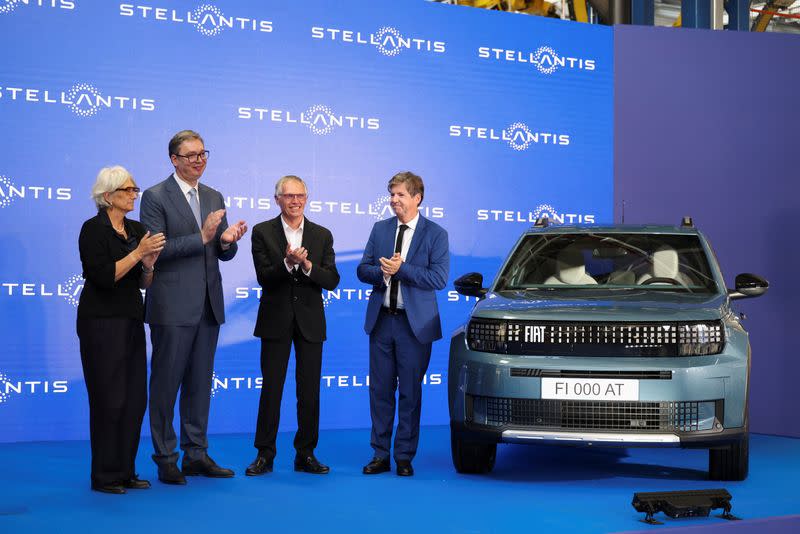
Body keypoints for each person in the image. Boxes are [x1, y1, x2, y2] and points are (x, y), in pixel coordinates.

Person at [140, 130, 248, 485]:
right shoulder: (156, 197)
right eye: (191, 155)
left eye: (203, 154)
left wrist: (227, 242)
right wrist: (200, 238)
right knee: (166, 385)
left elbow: (219, 251)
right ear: (174, 159)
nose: (199, 160)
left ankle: (196, 454)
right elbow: (154, 249)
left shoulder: (214, 195)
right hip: (171, 306)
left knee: (200, 385)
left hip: (208, 306)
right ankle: (166, 456)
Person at [77, 165, 166, 494]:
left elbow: (142, 283)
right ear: (106, 196)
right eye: (127, 190)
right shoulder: (93, 230)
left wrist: (148, 266)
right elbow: (103, 277)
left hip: (130, 318)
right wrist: (138, 253)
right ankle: (104, 475)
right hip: (100, 322)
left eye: (134, 189)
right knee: (108, 399)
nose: (133, 195)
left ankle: (126, 470)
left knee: (133, 400)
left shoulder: (137, 228)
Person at [356, 171, 449, 476]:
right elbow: (362, 269)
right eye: (391, 195)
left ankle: (404, 456)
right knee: (380, 391)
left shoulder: (436, 234)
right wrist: (383, 274)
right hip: (382, 322)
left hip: (414, 327)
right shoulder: (380, 229)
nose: (394, 200)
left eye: (400, 195)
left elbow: (438, 278)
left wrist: (402, 269)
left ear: (417, 198)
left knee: (410, 393)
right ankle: (380, 454)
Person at [246, 176, 340, 476]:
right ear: (277, 200)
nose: (295, 201)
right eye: (288, 196)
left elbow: (332, 280)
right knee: (271, 389)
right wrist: (287, 263)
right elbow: (264, 277)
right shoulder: (263, 232)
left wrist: (308, 265)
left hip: (310, 321)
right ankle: (265, 454)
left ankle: (306, 453)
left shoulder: (322, 235)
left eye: (300, 195)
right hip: (275, 319)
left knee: (309, 391)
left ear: (307, 198)